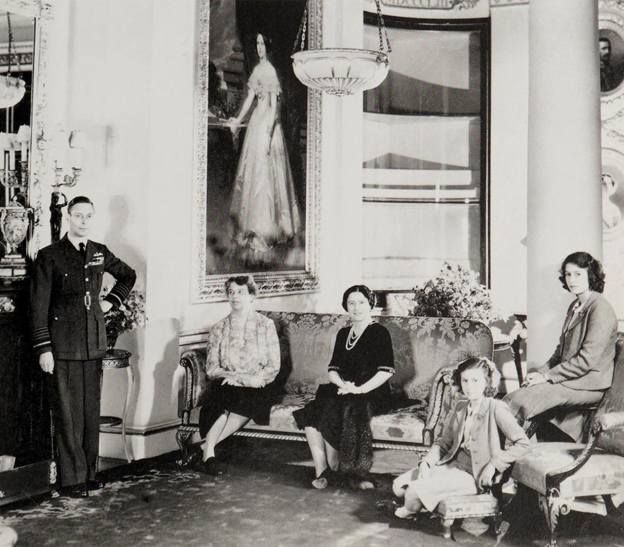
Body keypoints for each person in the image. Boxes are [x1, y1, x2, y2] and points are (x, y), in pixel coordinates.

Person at [30, 196, 136, 498]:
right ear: (68, 218)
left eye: (89, 215)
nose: (84, 221)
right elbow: (38, 306)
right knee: (67, 415)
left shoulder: (99, 253)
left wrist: (110, 302)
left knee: (90, 415)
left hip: (93, 345)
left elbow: (128, 275)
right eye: (78, 216)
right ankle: (71, 480)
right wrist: (43, 349)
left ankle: (89, 474)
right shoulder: (50, 256)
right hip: (61, 347)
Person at [391, 357, 531, 520]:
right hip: (452, 465)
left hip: (473, 474)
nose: (469, 387)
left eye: (475, 381)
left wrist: (494, 465)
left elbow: (524, 443)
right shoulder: (461, 407)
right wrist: (426, 463)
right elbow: (444, 443)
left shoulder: (496, 408)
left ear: (486, 382)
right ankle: (425, 502)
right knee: (397, 486)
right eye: (465, 381)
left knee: (412, 493)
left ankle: (410, 510)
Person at [503, 252, 618, 442]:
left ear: (591, 275)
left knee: (522, 401)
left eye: (578, 274)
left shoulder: (600, 309)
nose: (571, 279)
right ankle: (506, 450)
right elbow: (560, 352)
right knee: (517, 395)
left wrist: (547, 377)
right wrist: (539, 373)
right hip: (572, 379)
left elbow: (585, 361)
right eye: (568, 274)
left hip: (589, 384)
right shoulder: (575, 306)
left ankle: (504, 453)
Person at [292, 285, 395, 490]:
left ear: (370, 304)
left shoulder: (379, 332)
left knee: (338, 408)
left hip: (372, 391)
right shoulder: (343, 333)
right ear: (346, 306)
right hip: (344, 388)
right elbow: (333, 369)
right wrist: (344, 385)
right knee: (313, 410)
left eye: (361, 302)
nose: (356, 307)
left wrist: (360, 389)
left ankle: (340, 467)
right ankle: (322, 470)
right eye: (351, 303)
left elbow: (386, 371)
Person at [188, 275, 281, 476]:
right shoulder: (219, 328)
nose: (235, 296)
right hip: (227, 382)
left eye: (240, 292)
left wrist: (246, 379)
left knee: (246, 396)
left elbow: (274, 365)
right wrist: (232, 377)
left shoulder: (266, 325)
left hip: (258, 383)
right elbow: (212, 367)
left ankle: (204, 448)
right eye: (231, 292)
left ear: (251, 296)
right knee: (224, 396)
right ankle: (209, 453)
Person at [227, 32, 302, 266]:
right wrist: (238, 119)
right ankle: (251, 228)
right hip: (256, 124)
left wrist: (269, 133)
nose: (259, 47)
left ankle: (266, 230)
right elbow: (250, 97)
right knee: (253, 176)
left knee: (265, 179)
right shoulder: (258, 69)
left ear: (267, 46)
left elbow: (272, 107)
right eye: (256, 43)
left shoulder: (269, 70)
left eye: (262, 43)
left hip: (266, 127)